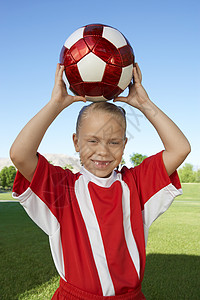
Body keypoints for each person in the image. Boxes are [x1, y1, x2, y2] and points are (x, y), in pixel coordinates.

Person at [10, 63, 191, 300]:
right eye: (92, 141)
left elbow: (180, 148)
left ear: (125, 144)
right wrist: (55, 105)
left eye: (114, 142)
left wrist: (145, 105)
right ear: (76, 142)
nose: (103, 151)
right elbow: (19, 155)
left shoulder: (135, 184)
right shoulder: (63, 189)